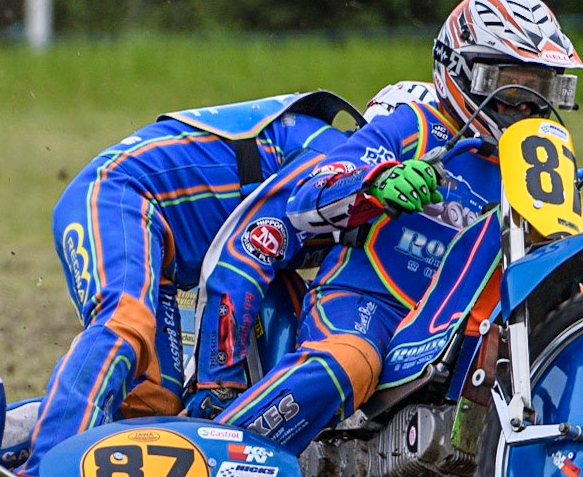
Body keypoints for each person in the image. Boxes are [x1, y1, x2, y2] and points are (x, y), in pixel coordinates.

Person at [212, 0, 583, 452]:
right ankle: (216, 451)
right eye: (509, 88)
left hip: (462, 320)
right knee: (349, 363)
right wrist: (376, 182)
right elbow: (306, 198)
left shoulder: (535, 165)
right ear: (460, 70)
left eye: (541, 89)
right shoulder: (415, 125)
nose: (525, 106)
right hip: (368, 297)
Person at [14, 91, 356, 477]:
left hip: (160, 247)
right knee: (124, 323)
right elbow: (238, 264)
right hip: (117, 195)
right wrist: (219, 383)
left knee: (153, 399)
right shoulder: (338, 163)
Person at [184, 81, 435, 418]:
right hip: (181, 245)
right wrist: (217, 383)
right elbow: (243, 258)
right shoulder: (333, 157)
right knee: (154, 392)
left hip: (215, 266)